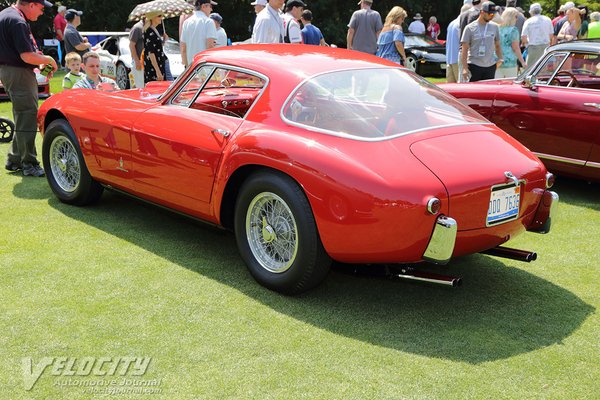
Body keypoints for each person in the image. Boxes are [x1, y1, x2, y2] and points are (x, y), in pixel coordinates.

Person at [1, 0, 57, 177]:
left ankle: (15, 159)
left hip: (10, 71)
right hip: (18, 72)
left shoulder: (7, 15)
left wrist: (39, 61)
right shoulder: (17, 21)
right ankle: (29, 164)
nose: (41, 13)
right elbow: (26, 56)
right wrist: (48, 60)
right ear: (31, 4)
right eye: (41, 8)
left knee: (23, 115)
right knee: (28, 116)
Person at [461, 1, 503, 82]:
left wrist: (500, 59)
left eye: (493, 14)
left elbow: (497, 45)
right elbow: (464, 49)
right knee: (474, 92)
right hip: (474, 65)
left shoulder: (494, 27)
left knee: (488, 92)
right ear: (482, 12)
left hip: (490, 66)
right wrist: (465, 68)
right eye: (490, 14)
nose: (492, 16)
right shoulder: (469, 28)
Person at [181, 0, 218, 67]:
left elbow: (183, 49)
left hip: (191, 68)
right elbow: (210, 47)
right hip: (204, 67)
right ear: (203, 6)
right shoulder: (209, 22)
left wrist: (187, 68)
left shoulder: (186, 22)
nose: (211, 9)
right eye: (210, 6)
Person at [496, 7, 526, 78]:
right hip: (509, 61)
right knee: (509, 84)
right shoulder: (513, 30)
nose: (517, 19)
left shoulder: (496, 28)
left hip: (497, 60)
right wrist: (522, 62)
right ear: (511, 17)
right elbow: (515, 48)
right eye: (516, 16)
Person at [446, 4, 472, 83]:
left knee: (451, 89)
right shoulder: (461, 24)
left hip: (449, 59)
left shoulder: (452, 23)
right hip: (457, 59)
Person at [143, 11, 167, 83]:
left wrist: (164, 40)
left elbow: (157, 48)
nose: (161, 18)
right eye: (159, 16)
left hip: (157, 65)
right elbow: (151, 53)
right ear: (152, 17)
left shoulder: (153, 30)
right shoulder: (150, 32)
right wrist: (158, 71)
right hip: (153, 68)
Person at [128, 18, 144, 88]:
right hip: (139, 62)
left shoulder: (150, 27)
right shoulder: (137, 28)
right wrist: (137, 61)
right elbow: (131, 45)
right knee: (140, 87)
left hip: (145, 62)